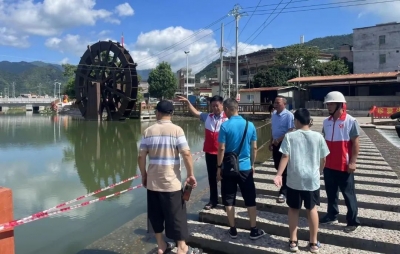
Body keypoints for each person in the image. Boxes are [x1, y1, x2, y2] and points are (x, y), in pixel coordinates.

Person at [138, 100, 202, 254]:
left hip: (153, 181)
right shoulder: (177, 130)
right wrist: (190, 174)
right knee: (176, 215)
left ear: (158, 113)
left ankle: (161, 245)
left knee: (155, 214)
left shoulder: (148, 131)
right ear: (171, 114)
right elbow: (186, 153)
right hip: (171, 182)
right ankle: (181, 247)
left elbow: (141, 156)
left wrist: (144, 175)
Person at [274, 108, 330, 253]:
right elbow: (323, 158)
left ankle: (293, 242)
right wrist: (320, 171)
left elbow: (285, 157)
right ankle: (313, 243)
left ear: (297, 121)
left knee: (293, 209)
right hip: (312, 179)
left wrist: (279, 174)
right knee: (311, 209)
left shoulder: (290, 137)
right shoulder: (318, 137)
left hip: (294, 179)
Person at [216, 98, 266, 240]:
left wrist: (219, 167)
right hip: (245, 168)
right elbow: (254, 147)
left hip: (229, 168)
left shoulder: (225, 126)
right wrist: (252, 164)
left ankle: (233, 230)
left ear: (226, 109)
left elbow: (221, 149)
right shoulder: (250, 125)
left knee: (229, 199)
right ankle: (253, 230)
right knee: (250, 198)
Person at [319, 91, 361, 233]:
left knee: (349, 194)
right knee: (331, 193)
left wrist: (353, 162)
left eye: (331, 104)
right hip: (329, 165)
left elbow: (355, 143)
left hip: (344, 166)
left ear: (340, 104)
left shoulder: (351, 121)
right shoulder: (326, 122)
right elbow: (324, 142)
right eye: (327, 104)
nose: (328, 107)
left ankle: (353, 221)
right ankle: (332, 215)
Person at [178, 95, 227, 210]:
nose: (215, 108)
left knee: (224, 178)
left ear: (222, 105)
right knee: (212, 178)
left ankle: (226, 202)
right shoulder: (207, 117)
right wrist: (187, 102)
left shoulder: (227, 118)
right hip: (210, 153)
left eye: (217, 106)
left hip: (223, 153)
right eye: (213, 106)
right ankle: (213, 201)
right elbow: (195, 113)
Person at [269, 96, 295, 203]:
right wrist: (271, 141)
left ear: (284, 104)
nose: (275, 104)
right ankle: (285, 186)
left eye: (278, 103)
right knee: (277, 165)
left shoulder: (289, 115)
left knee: (284, 168)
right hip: (275, 143)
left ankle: (283, 192)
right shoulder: (273, 115)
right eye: (275, 102)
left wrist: (279, 140)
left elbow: (290, 130)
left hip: (284, 144)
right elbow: (272, 129)